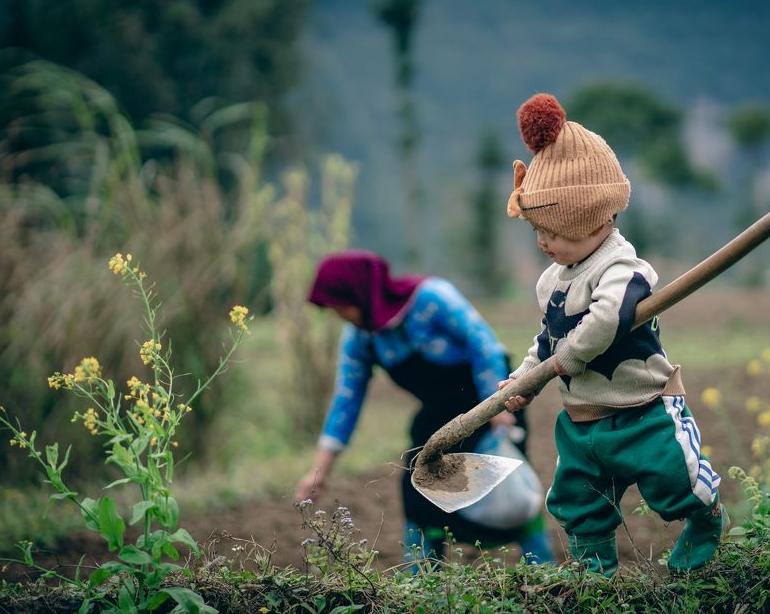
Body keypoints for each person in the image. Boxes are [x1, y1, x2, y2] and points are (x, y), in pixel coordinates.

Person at [500, 93, 726, 577]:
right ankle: (595, 574)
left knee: (675, 483)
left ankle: (706, 522)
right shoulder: (552, 280)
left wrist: (565, 361)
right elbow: (547, 340)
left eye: (554, 231)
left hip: (641, 410)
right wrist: (524, 379)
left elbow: (603, 321)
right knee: (578, 500)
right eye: (537, 231)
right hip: (582, 420)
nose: (543, 242)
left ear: (596, 218)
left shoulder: (623, 269)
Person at [295, 250, 554, 567]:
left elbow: (483, 345)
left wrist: (497, 409)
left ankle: (543, 569)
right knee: (418, 492)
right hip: (439, 416)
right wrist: (319, 472)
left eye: (341, 306)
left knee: (507, 489)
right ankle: (419, 575)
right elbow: (347, 399)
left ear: (361, 293)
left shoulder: (431, 299)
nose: (340, 315)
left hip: (495, 400)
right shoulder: (362, 338)